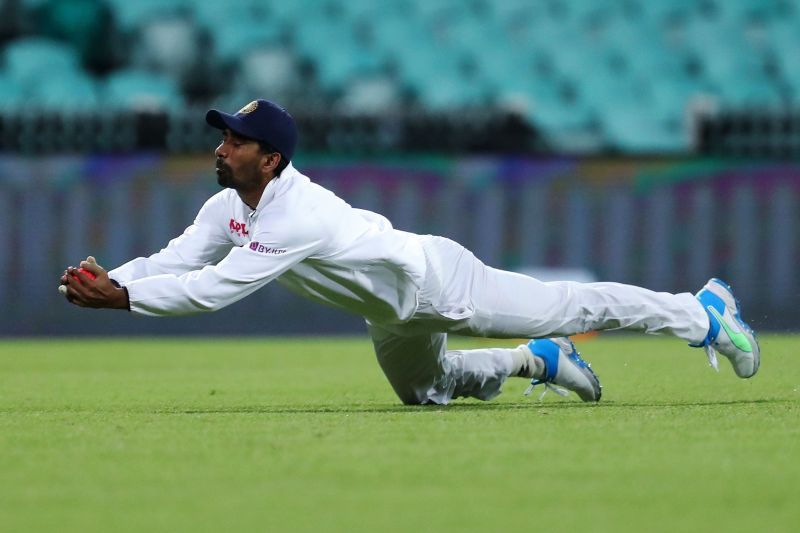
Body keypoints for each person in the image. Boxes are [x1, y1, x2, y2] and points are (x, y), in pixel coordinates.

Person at [59, 99, 760, 405]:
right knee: (426, 395)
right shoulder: (227, 206)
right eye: (222, 136)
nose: (221, 147)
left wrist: (120, 299)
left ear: (269, 159)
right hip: (391, 313)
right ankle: (533, 360)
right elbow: (173, 259)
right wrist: (104, 279)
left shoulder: (295, 213)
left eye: (235, 141)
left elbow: (214, 288)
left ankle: (702, 312)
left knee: (571, 303)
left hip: (437, 282)